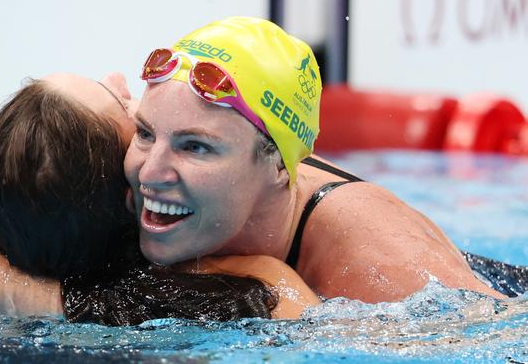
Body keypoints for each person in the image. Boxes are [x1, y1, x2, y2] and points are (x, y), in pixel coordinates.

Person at [0, 72, 319, 325]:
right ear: (138, 192)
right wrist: (102, 306)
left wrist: (77, 307)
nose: (118, 78)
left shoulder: (0, 229)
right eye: (133, 119)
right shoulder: (255, 283)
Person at [123, 16, 507, 302]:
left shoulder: (377, 264)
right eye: (145, 133)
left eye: (195, 147)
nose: (150, 173)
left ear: (278, 165)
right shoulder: (158, 173)